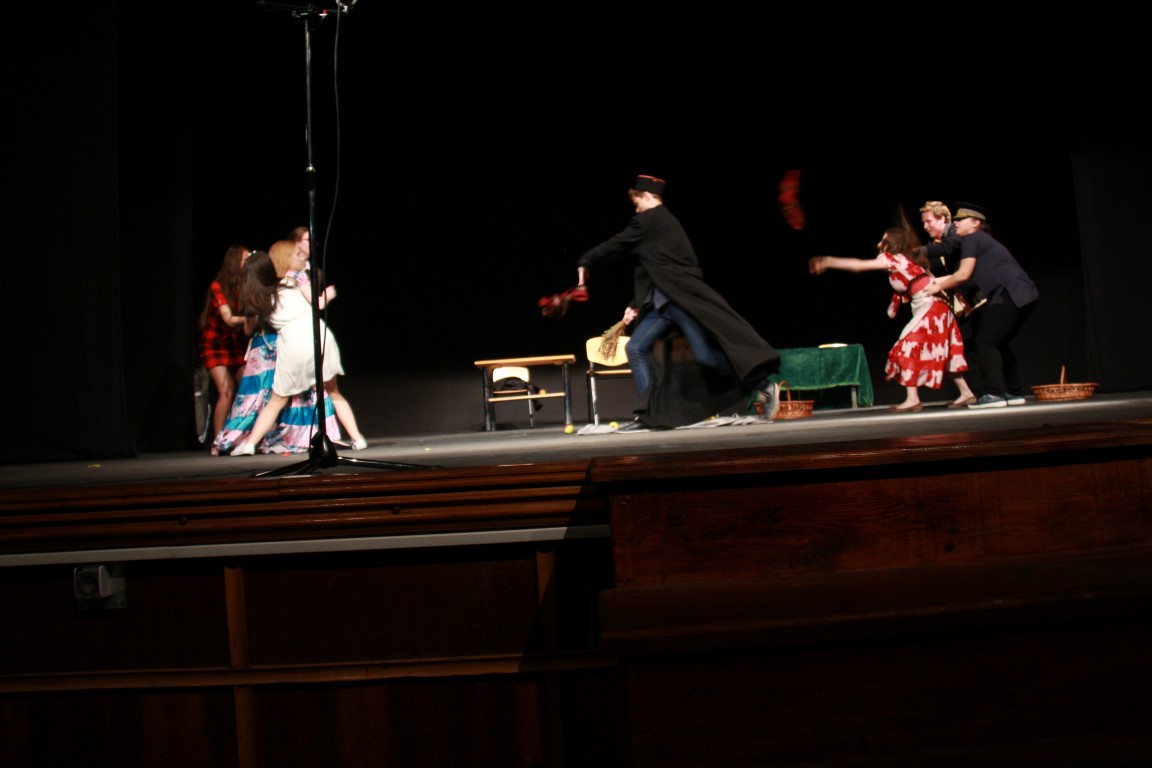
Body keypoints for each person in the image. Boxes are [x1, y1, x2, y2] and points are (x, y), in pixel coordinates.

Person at [575, 174, 781, 429]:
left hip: (678, 303)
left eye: (637, 203)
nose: (635, 210)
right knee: (636, 348)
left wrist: (585, 261)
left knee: (705, 358)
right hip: (663, 305)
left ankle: (762, 384)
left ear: (647, 196)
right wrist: (636, 301)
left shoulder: (650, 220)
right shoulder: (665, 223)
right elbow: (659, 267)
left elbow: (615, 244)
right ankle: (649, 414)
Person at [809, 222, 975, 411]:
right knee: (942, 351)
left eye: (883, 241)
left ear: (892, 244)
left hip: (931, 307)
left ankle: (913, 399)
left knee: (907, 346)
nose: (879, 244)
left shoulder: (893, 259)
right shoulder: (909, 260)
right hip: (936, 307)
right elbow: (931, 281)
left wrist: (829, 261)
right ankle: (966, 393)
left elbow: (859, 266)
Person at [229, 246, 367, 456]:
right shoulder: (289, 283)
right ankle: (357, 438)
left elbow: (251, 329)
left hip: (294, 342)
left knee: (277, 400)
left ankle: (250, 444)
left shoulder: (259, 300)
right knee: (333, 391)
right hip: (319, 335)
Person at [926, 203, 1039, 409]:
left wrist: (937, 286)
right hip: (1023, 294)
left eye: (961, 220)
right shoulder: (980, 240)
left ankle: (995, 394)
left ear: (975, 223)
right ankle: (1013, 392)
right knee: (999, 342)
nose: (956, 223)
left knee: (985, 342)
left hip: (1008, 293)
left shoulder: (972, 238)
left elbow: (963, 274)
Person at [279, 229, 366, 446]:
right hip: (303, 338)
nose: (310, 246)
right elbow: (316, 303)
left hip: (307, 337)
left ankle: (351, 436)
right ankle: (353, 437)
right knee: (300, 394)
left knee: (323, 390)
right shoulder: (294, 276)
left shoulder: (299, 274)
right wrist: (326, 296)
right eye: (306, 241)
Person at [197, 245, 252, 444]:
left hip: (234, 344)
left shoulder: (246, 286)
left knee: (249, 387)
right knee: (226, 391)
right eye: (245, 259)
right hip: (214, 345)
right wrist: (252, 319)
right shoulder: (218, 287)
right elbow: (228, 318)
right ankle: (218, 440)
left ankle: (242, 435)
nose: (248, 263)